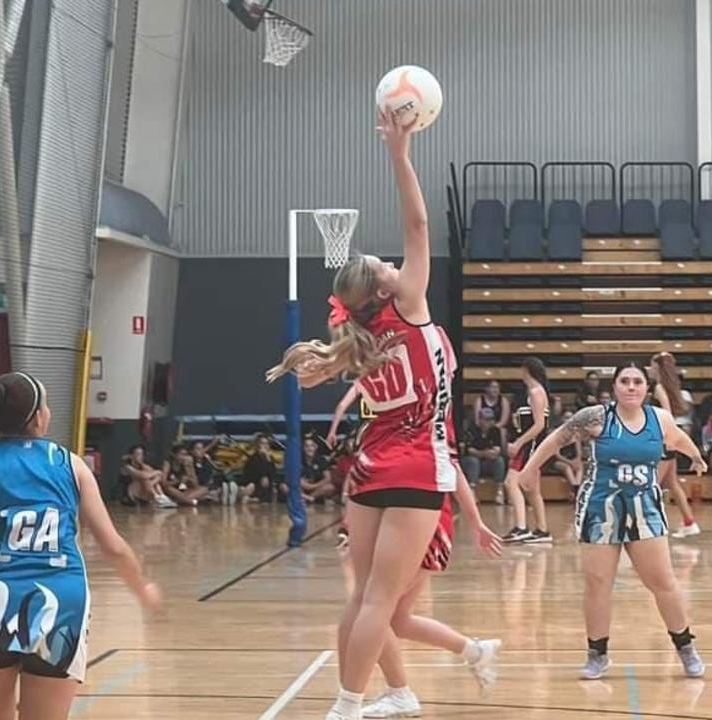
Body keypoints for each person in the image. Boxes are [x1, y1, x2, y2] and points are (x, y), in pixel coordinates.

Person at [266, 110, 460, 720]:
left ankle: (369, 698)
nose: (398, 266)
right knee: (380, 599)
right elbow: (420, 224)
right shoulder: (409, 310)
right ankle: (350, 704)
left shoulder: (358, 333)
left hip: (370, 465)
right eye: (388, 267)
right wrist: (400, 154)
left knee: (362, 599)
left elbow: (364, 285)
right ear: (386, 291)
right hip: (416, 466)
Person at [0, 372, 162, 718]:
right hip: (62, 595)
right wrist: (140, 586)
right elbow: (112, 545)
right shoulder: (72, 464)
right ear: (38, 417)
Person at [512, 361, 709, 681]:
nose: (631, 387)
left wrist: (697, 456)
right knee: (597, 585)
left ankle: (686, 647)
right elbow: (556, 439)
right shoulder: (596, 416)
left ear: (647, 388)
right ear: (615, 387)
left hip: (644, 507)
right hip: (600, 508)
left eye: (637, 382)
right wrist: (530, 468)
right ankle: (597, 653)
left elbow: (678, 439)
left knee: (663, 583)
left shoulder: (659, 418)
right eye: (625, 381)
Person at [359, 476, 504, 717]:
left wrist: (476, 522)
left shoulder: (424, 439)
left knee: (375, 612)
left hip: (423, 522)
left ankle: (399, 693)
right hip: (410, 518)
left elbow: (453, 467)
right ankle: (475, 652)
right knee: (397, 619)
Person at [649, 353, 700, 538]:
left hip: (663, 442)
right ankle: (689, 522)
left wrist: (665, 439)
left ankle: (652, 524)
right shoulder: (668, 387)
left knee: (651, 485)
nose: (650, 369)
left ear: (659, 368)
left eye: (652, 366)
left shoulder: (660, 388)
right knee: (672, 484)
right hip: (669, 441)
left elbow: (667, 414)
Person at [502, 357, 552, 545]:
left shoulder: (536, 392)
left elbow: (540, 425)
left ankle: (521, 527)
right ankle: (542, 531)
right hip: (530, 444)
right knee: (532, 491)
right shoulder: (533, 392)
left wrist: (518, 442)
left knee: (510, 482)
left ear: (527, 370)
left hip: (531, 444)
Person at [460, 407, 505, 488]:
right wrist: (484, 453)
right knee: (473, 461)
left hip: (486, 462)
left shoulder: (495, 431)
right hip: (471, 462)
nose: (489, 422)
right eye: (486, 419)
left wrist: (483, 453)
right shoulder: (471, 430)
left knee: (499, 460)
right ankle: (472, 488)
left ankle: (500, 489)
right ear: (480, 419)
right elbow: (469, 450)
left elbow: (497, 450)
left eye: (491, 419)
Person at [301, 436, 338, 503]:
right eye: (307, 446)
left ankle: (308, 498)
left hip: (317, 489)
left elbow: (328, 478)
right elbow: (298, 481)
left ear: (316, 447)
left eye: (312, 446)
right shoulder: (298, 460)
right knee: (284, 487)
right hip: (302, 489)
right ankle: (306, 497)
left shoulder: (321, 460)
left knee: (331, 487)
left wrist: (314, 486)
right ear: (303, 448)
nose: (309, 448)